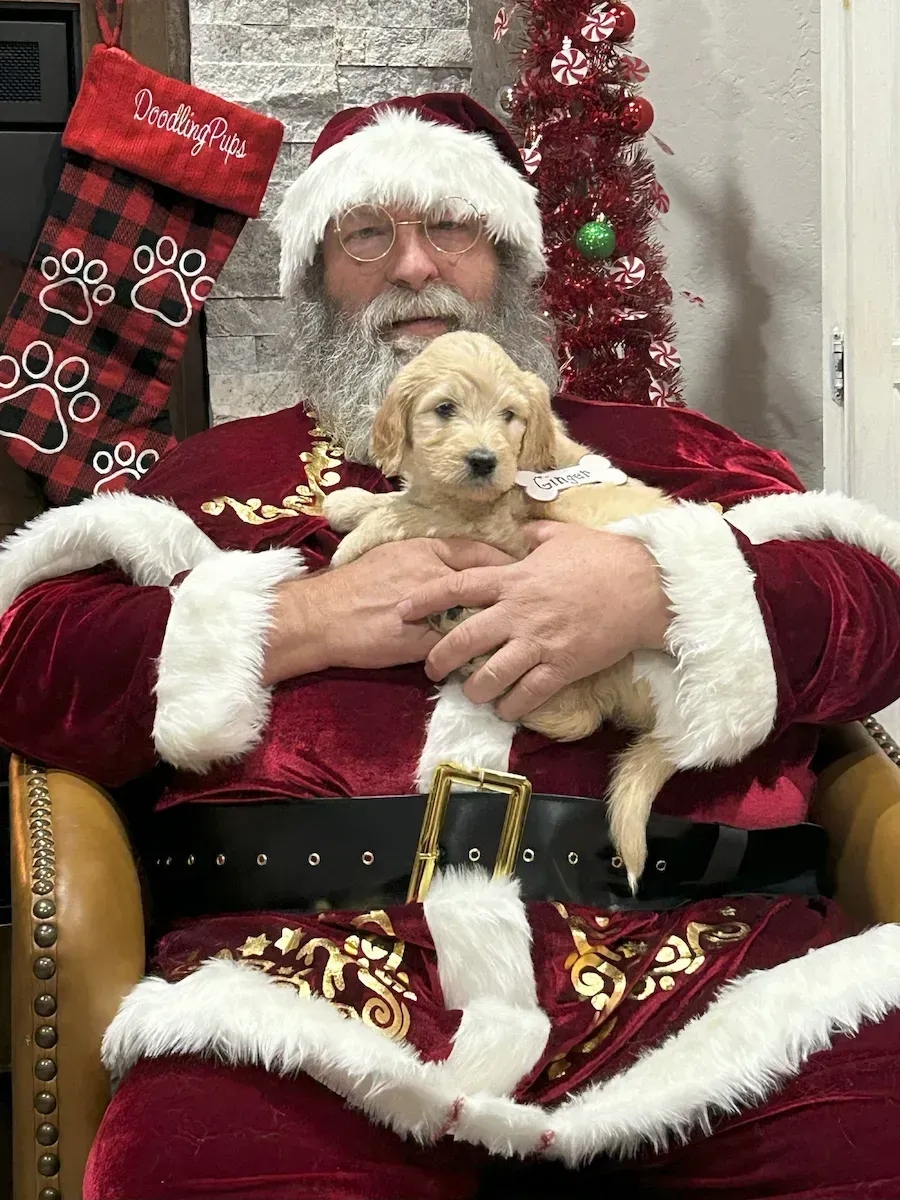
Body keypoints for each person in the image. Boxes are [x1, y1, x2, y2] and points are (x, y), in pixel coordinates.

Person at [2, 93, 900, 1200]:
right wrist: (294, 620)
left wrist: (657, 587)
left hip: (721, 988)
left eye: (452, 228)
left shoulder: (671, 455)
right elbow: (32, 666)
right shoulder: (213, 481)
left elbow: (872, 606)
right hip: (303, 1010)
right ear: (316, 278)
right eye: (367, 235)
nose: (413, 267)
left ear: (508, 259)